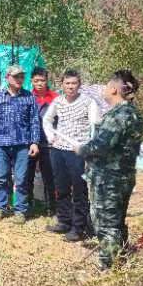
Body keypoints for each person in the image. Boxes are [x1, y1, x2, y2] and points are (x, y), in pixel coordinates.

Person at [76, 70, 143, 270]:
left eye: (106, 85)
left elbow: (101, 146)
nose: (104, 89)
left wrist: (81, 149)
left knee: (107, 225)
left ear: (114, 89)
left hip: (109, 179)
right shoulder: (132, 112)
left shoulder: (120, 114)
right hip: (122, 177)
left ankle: (108, 269)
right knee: (117, 221)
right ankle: (119, 261)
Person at [43, 70, 100, 242]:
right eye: (67, 83)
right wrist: (50, 137)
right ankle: (64, 221)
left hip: (77, 152)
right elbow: (47, 119)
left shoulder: (88, 102)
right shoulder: (58, 101)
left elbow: (95, 126)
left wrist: (87, 147)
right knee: (61, 187)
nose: (70, 87)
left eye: (74, 83)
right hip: (58, 150)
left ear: (79, 84)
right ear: (62, 84)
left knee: (79, 189)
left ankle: (79, 226)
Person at [0, 66, 41, 224]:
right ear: (8, 77)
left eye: (22, 77)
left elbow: (34, 121)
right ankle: (0, 207)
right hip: (1, 144)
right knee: (0, 177)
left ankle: (20, 210)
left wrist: (35, 142)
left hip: (22, 144)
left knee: (21, 179)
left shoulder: (29, 97)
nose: (19, 79)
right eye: (16, 77)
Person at [27, 67, 57, 215]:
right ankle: (27, 206)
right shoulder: (27, 97)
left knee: (49, 176)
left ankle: (51, 208)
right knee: (27, 175)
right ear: (31, 81)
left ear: (47, 81)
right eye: (36, 80)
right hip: (29, 142)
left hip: (48, 144)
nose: (39, 83)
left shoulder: (56, 98)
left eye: (42, 80)